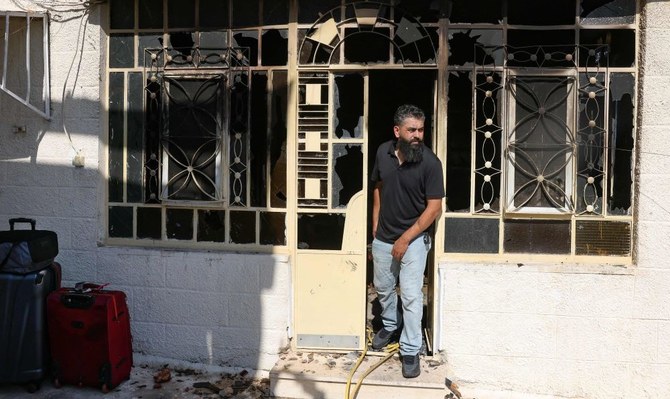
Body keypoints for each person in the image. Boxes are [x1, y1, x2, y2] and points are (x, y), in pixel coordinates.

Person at [370, 104, 444, 378]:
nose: (417, 135)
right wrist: (375, 221)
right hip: (384, 237)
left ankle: (411, 348)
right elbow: (378, 186)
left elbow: (433, 208)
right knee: (384, 288)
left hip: (413, 240)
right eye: (412, 130)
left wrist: (405, 239)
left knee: (412, 296)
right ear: (397, 131)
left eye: (421, 130)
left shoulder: (430, 163)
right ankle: (390, 324)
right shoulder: (383, 152)